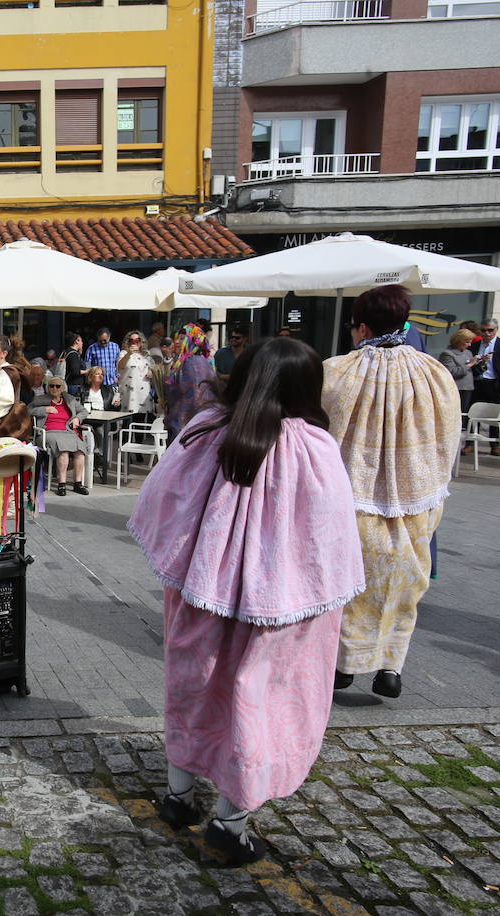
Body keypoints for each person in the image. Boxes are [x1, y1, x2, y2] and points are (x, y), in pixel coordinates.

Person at [129, 337, 365, 866]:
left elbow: (162, 501)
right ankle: (230, 823)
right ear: (308, 387)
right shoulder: (314, 448)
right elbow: (327, 540)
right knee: (259, 699)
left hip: (199, 594)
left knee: (192, 687)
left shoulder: (205, 430)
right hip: (283, 606)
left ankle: (178, 798)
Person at [324, 286, 459, 698]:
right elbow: (449, 435)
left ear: (360, 326)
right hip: (417, 495)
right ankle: (390, 666)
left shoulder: (336, 372)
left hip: (352, 493)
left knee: (350, 581)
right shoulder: (434, 373)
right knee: (405, 580)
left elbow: (316, 430)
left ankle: (345, 664)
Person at [469, 317, 500, 457]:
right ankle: (470, 443)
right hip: (478, 382)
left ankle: (495, 444)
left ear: (496, 330)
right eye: (483, 330)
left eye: (490, 330)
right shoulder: (474, 346)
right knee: (473, 413)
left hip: (496, 384)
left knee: (495, 415)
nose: (487, 333)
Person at [36, 377, 90, 495]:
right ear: (48, 387)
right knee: (63, 450)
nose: (54, 388)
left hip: (67, 431)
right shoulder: (41, 399)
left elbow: (84, 411)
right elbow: (29, 410)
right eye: (51, 386)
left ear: (63, 388)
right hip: (48, 432)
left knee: (80, 451)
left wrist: (77, 418)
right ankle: (62, 484)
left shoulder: (69, 399)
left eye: (57, 386)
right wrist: (45, 409)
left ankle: (78, 483)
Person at [164, 324, 217, 440]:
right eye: (177, 337)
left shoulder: (192, 363)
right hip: (190, 424)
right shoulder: (196, 361)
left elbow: (194, 398)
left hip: (186, 427)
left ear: (194, 341)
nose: (177, 341)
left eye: (182, 338)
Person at [438, 328, 478, 416]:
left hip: (468, 388)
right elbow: (450, 372)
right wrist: (469, 365)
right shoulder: (447, 354)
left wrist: (482, 363)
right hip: (456, 388)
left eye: (470, 342)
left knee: (464, 414)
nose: (469, 345)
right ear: (459, 341)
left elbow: (473, 370)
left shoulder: (468, 353)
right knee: (456, 414)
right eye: (467, 342)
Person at [114, 330, 154, 416]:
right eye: (131, 340)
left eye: (137, 340)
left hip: (144, 394)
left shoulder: (146, 354)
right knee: (128, 422)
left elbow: (154, 368)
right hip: (129, 394)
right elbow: (120, 366)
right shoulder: (124, 353)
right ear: (127, 342)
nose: (134, 342)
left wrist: (151, 371)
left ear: (141, 341)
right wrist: (129, 353)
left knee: (143, 420)